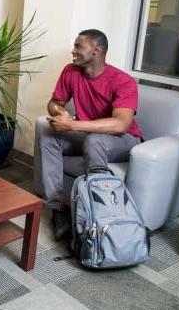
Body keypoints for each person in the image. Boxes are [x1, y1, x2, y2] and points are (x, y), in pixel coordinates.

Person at [37, 29, 143, 241]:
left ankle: (98, 217)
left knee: (95, 142)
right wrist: (59, 112)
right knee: (49, 133)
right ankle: (57, 210)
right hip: (89, 133)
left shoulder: (123, 81)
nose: (73, 51)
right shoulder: (71, 71)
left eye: (78, 46)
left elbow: (121, 124)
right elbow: (54, 103)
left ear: (96, 51)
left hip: (124, 141)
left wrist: (74, 126)